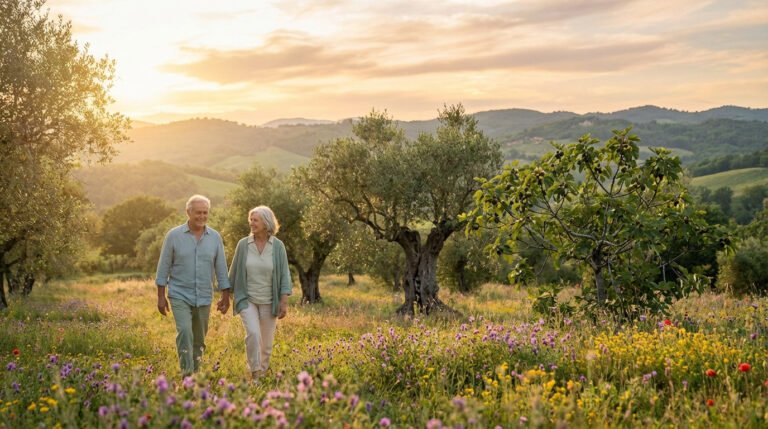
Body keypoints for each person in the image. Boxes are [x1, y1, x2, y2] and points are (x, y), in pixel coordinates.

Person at [155, 195, 231, 376]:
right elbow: (163, 266)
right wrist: (160, 296)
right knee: (185, 332)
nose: (202, 216)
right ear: (188, 212)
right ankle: (186, 374)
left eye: (205, 213)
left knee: (199, 339)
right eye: (198, 212)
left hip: (204, 295)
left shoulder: (215, 237)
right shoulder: (173, 236)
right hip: (179, 293)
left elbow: (221, 267)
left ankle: (195, 373)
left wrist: (225, 296)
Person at [228, 205, 292, 380]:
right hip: (247, 299)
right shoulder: (243, 244)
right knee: (253, 334)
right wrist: (225, 296)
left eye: (255, 220)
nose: (251, 223)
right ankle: (254, 373)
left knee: (267, 344)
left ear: (266, 222)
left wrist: (283, 302)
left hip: (269, 301)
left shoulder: (278, 247)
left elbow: (285, 275)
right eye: (251, 220)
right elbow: (233, 272)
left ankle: (262, 374)